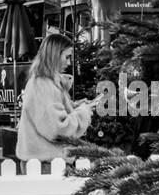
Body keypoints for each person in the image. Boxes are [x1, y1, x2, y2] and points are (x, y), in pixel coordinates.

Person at [17, 33, 99, 161]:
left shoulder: (45, 82)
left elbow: (49, 113)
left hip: (44, 162)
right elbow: (57, 129)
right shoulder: (43, 84)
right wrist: (83, 112)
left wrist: (75, 106)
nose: (69, 62)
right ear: (54, 56)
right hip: (45, 164)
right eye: (67, 57)